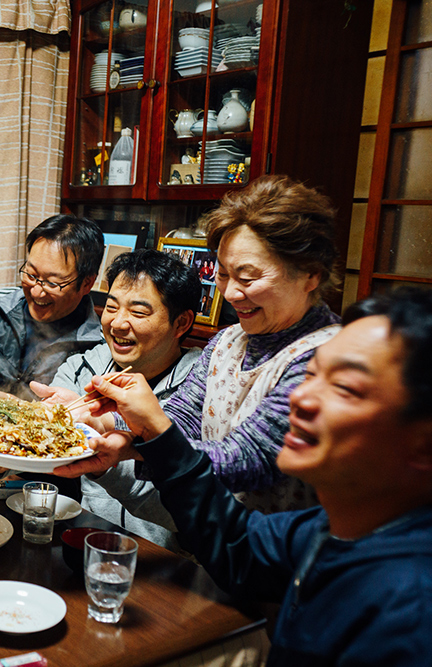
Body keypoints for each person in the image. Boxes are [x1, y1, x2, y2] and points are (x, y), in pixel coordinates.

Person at [82, 287, 432, 665]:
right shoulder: (328, 529)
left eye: (345, 388)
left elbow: (242, 462)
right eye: (310, 375)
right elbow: (237, 545)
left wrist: (152, 434)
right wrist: (149, 437)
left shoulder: (410, 608)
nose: (301, 398)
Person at [57, 175, 342, 526]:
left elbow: (249, 460)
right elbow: (182, 419)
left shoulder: (330, 357)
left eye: (248, 278)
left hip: (284, 561)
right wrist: (103, 422)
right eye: (223, 274)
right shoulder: (227, 341)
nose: (232, 293)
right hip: (214, 548)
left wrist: (136, 445)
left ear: (311, 274)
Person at [38, 249, 202, 548]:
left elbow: (190, 511)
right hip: (85, 542)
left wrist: (104, 462)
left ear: (181, 323)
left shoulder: (202, 392)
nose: (117, 323)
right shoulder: (81, 369)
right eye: (111, 307)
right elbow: (41, 449)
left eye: (138, 313)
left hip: (165, 565)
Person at [0, 214, 105, 400]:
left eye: (53, 283)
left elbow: (89, 415)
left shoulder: (97, 346)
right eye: (31, 275)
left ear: (87, 283)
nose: (37, 293)